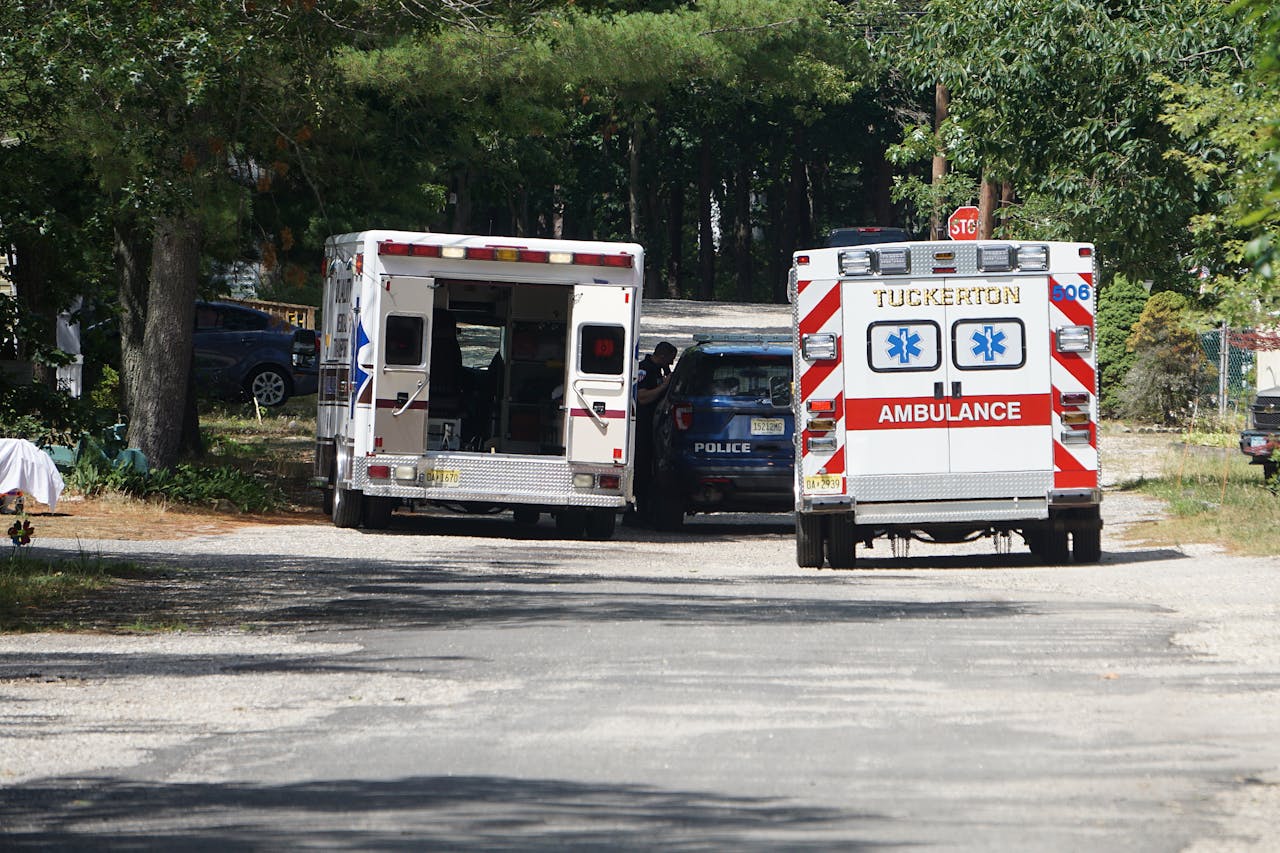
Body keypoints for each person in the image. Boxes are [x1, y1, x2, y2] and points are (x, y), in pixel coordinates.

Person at [631, 341, 677, 523]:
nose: (670, 365)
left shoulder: (658, 370)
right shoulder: (644, 369)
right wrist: (664, 386)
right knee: (641, 468)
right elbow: (641, 397)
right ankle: (638, 511)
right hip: (642, 428)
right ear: (663, 356)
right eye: (670, 360)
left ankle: (647, 510)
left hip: (654, 430)